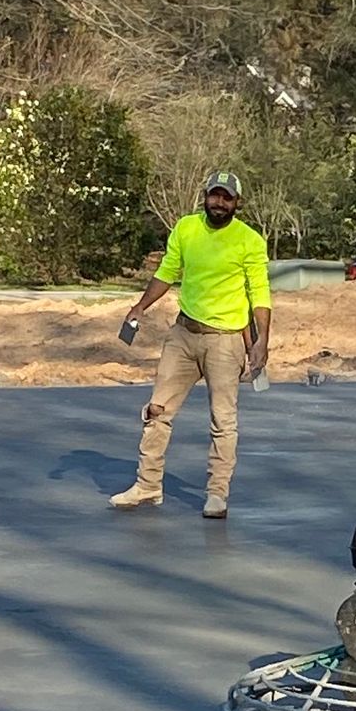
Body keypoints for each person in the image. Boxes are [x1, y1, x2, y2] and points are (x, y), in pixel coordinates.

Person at [112, 170, 271, 519]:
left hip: (226, 341)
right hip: (183, 334)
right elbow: (167, 272)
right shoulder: (186, 228)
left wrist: (261, 343)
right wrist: (140, 307)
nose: (219, 203)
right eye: (214, 195)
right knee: (157, 410)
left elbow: (258, 293)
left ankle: (217, 494)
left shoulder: (249, 241)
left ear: (237, 202)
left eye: (226, 197)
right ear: (205, 196)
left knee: (223, 421)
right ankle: (148, 485)